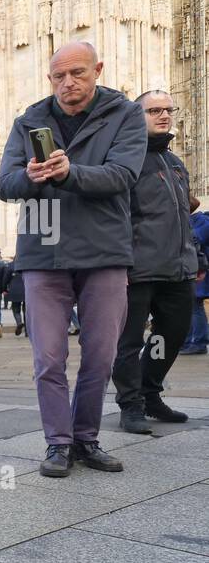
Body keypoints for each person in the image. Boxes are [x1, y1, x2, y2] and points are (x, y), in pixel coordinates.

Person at [0, 41, 146, 477]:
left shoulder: (124, 114)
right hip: (43, 249)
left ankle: (86, 438)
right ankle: (58, 444)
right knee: (49, 358)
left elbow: (123, 174)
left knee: (100, 356)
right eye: (59, 76)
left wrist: (69, 172)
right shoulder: (30, 120)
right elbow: (4, 183)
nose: (68, 83)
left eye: (77, 73)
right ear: (49, 79)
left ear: (97, 69)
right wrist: (29, 176)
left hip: (103, 250)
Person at [111, 90, 201, 433]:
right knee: (129, 342)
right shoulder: (125, 160)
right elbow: (114, 217)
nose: (163, 115)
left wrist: (196, 256)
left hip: (178, 269)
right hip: (137, 270)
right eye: (153, 110)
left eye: (167, 109)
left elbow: (183, 216)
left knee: (171, 335)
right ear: (136, 116)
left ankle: (150, 393)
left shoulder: (175, 163)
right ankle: (130, 404)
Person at [182, 205, 209, 355]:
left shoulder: (201, 222)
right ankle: (193, 341)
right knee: (193, 306)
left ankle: (199, 342)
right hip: (196, 270)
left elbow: (195, 239)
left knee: (195, 306)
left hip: (199, 271)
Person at [5, 259, 27, 336]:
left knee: (16, 309)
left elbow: (6, 278)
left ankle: (19, 322)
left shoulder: (10, 265)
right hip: (26, 289)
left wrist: (4, 288)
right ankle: (27, 331)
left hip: (14, 290)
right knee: (27, 311)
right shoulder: (27, 264)